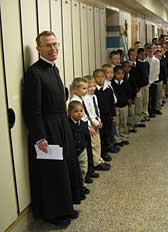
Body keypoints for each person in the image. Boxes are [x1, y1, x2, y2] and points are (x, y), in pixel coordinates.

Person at [23, 31, 81, 227]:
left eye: (55, 44)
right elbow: (33, 110)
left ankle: (65, 207)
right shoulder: (34, 73)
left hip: (61, 124)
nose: (53, 48)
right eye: (48, 45)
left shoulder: (53, 69)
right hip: (47, 129)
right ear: (39, 49)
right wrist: (39, 137)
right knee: (52, 171)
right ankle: (52, 214)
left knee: (64, 167)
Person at [83, 75, 111, 171]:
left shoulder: (94, 96)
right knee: (94, 144)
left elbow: (96, 110)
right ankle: (96, 163)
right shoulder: (85, 99)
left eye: (93, 86)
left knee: (98, 143)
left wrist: (99, 120)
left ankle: (99, 159)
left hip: (97, 122)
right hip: (91, 124)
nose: (92, 88)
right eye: (89, 87)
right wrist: (95, 123)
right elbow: (89, 113)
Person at [94, 69, 118, 162]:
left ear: (105, 78)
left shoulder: (108, 89)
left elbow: (112, 103)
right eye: (98, 77)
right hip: (99, 117)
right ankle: (102, 153)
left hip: (108, 116)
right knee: (101, 135)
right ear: (95, 78)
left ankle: (106, 151)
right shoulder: (95, 91)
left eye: (102, 77)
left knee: (107, 134)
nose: (100, 79)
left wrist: (113, 115)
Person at [67, 101, 91, 196]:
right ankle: (75, 187)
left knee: (83, 169)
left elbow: (86, 137)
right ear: (70, 112)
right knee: (73, 171)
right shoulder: (67, 124)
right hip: (72, 152)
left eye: (81, 111)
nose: (79, 113)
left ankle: (82, 185)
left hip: (82, 150)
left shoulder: (84, 124)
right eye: (76, 111)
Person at [111, 65, 131, 145]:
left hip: (124, 106)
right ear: (114, 74)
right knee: (116, 123)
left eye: (122, 73)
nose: (120, 75)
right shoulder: (112, 84)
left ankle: (124, 137)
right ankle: (117, 139)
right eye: (118, 73)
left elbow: (129, 92)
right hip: (116, 107)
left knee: (124, 122)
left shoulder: (126, 82)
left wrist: (128, 99)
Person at [145, 45, 160, 117]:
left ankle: (153, 111)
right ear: (146, 52)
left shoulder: (156, 60)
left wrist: (151, 81)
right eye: (148, 51)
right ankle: (147, 110)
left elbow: (156, 72)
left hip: (154, 81)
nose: (150, 53)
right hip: (146, 82)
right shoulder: (145, 60)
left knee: (154, 97)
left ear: (153, 51)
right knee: (147, 98)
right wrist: (147, 81)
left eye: (151, 51)